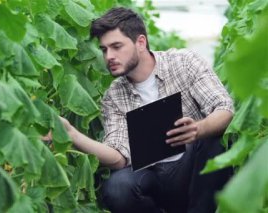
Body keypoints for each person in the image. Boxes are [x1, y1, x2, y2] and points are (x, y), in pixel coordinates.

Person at [47, 7, 234, 213]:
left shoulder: (184, 63)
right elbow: (118, 157)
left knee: (215, 140)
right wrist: (71, 134)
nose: (109, 56)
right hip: (153, 178)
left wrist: (198, 129)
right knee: (117, 187)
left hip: (193, 174)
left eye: (116, 46)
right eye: (104, 49)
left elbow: (224, 109)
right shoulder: (114, 96)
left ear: (141, 42)